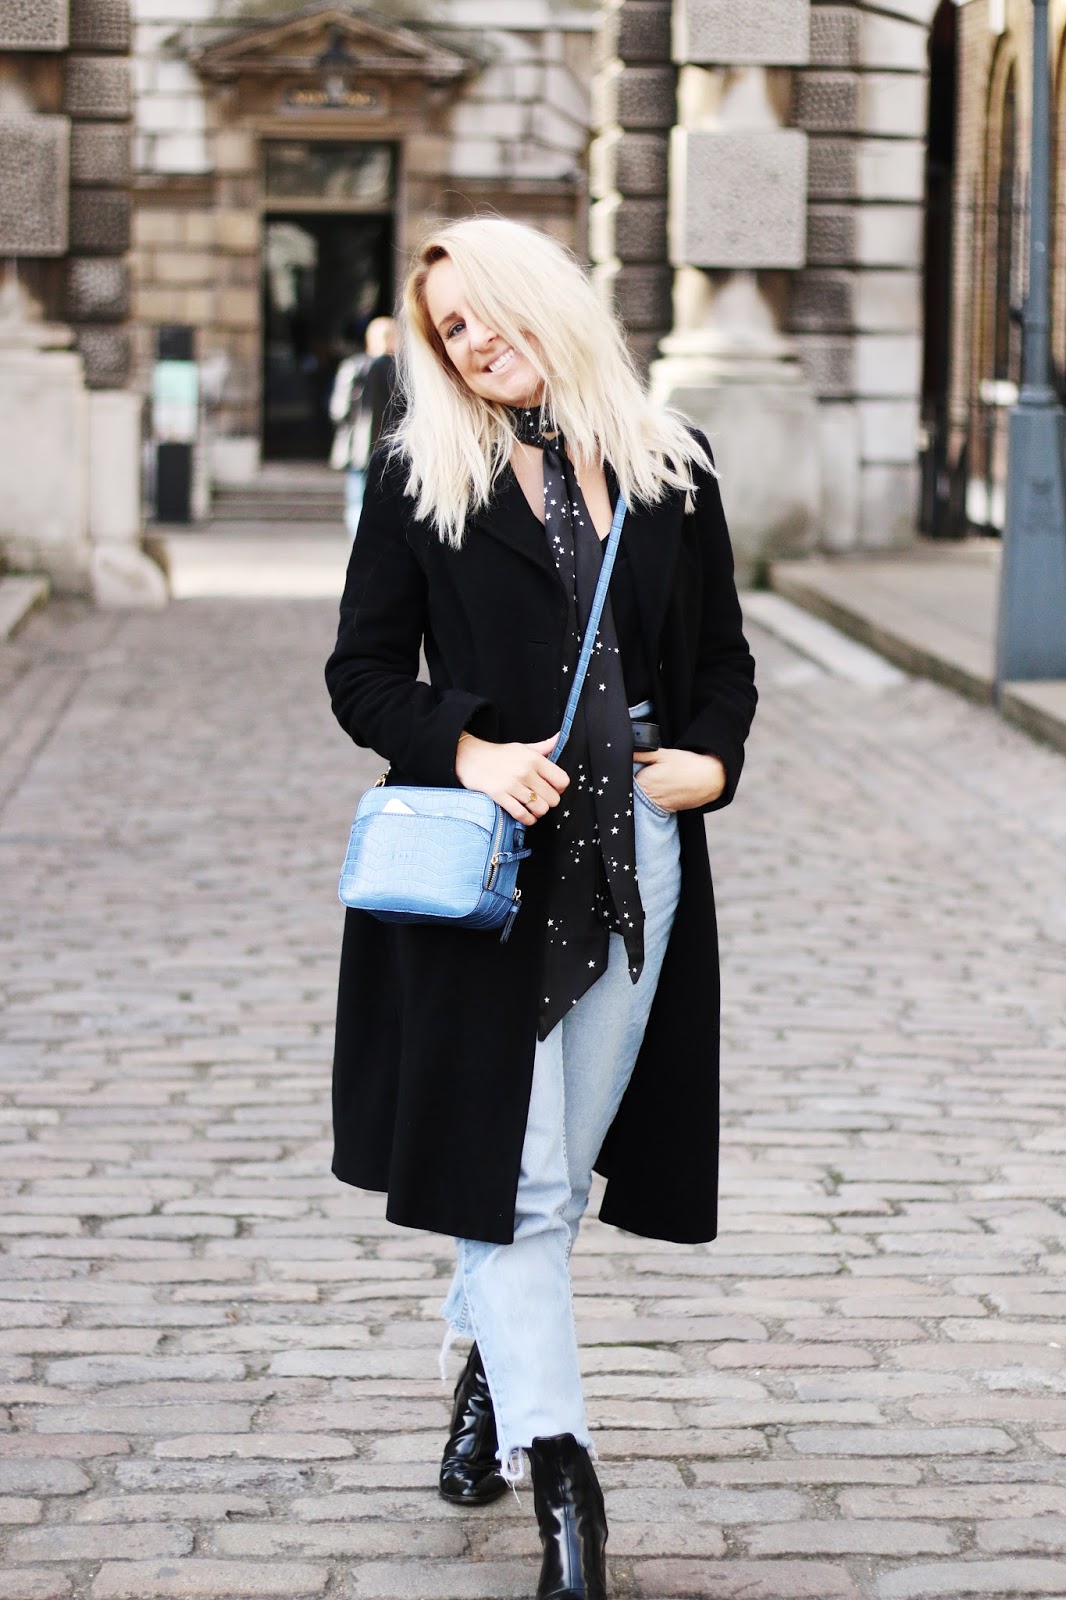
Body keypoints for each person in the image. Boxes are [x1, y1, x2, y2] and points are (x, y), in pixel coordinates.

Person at [325, 217, 757, 1600]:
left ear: (543, 298)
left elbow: (724, 661)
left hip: (638, 857)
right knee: (510, 1178)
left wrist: (710, 760)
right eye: (447, 329)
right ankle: (566, 1483)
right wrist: (464, 747)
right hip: (494, 868)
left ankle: (487, 1382)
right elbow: (359, 672)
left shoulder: (671, 465)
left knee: (555, 1180)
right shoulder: (424, 473)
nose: (471, 343)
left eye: (484, 312)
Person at [328, 315, 398, 535]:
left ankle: (360, 544)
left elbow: (339, 409)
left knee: (357, 502)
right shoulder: (402, 370)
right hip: (393, 450)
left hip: (358, 449)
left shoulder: (353, 366)